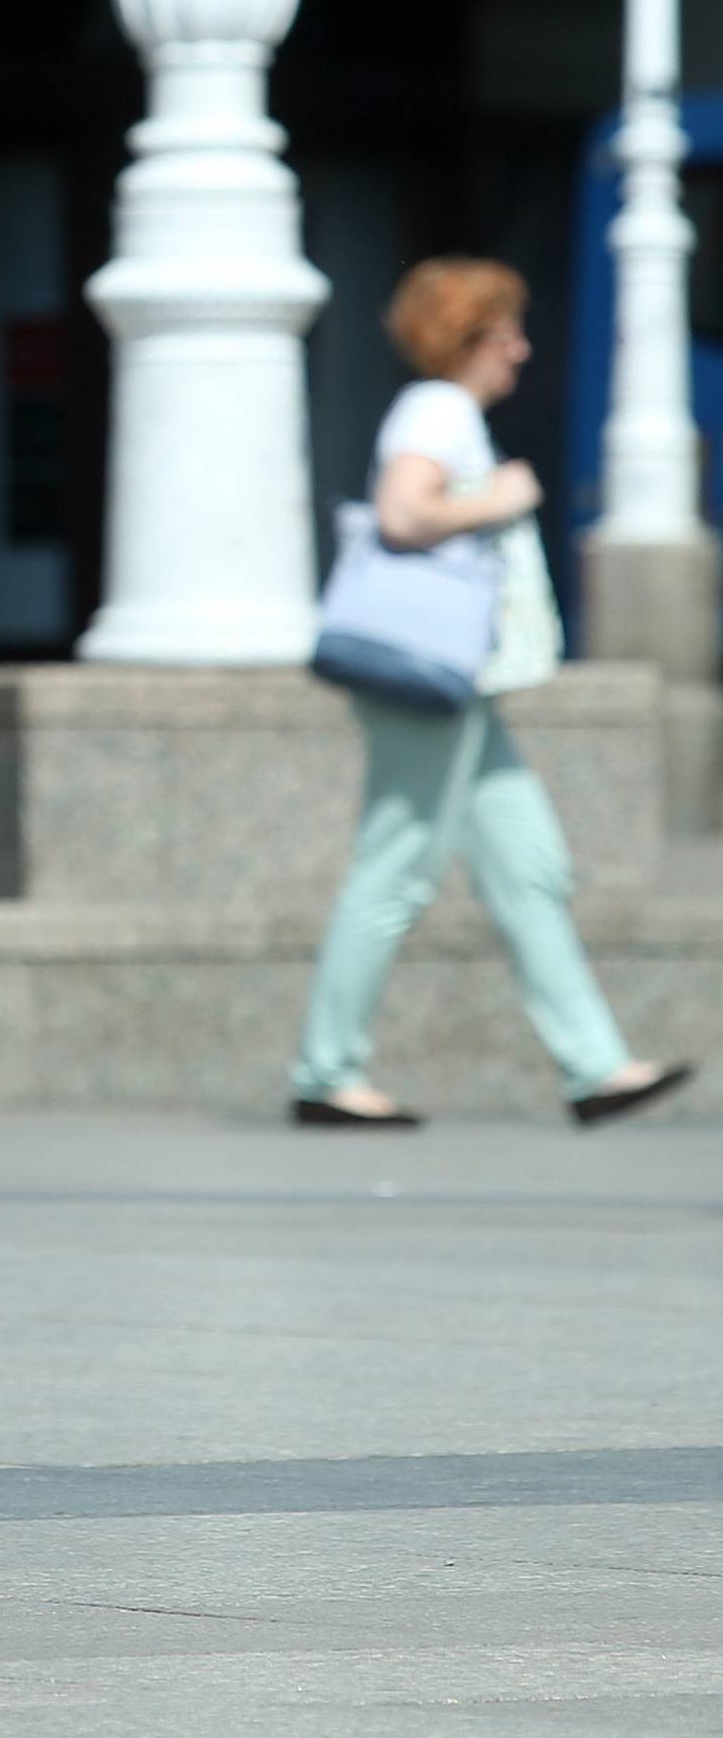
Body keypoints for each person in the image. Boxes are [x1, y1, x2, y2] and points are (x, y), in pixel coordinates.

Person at [292, 258, 696, 1130]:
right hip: (430, 678)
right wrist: (500, 496)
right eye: (505, 330)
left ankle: (595, 1066)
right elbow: (403, 513)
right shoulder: (438, 409)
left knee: (530, 866)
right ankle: (326, 1071)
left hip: (459, 686)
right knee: (394, 866)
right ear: (467, 338)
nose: (520, 347)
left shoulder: (443, 411)